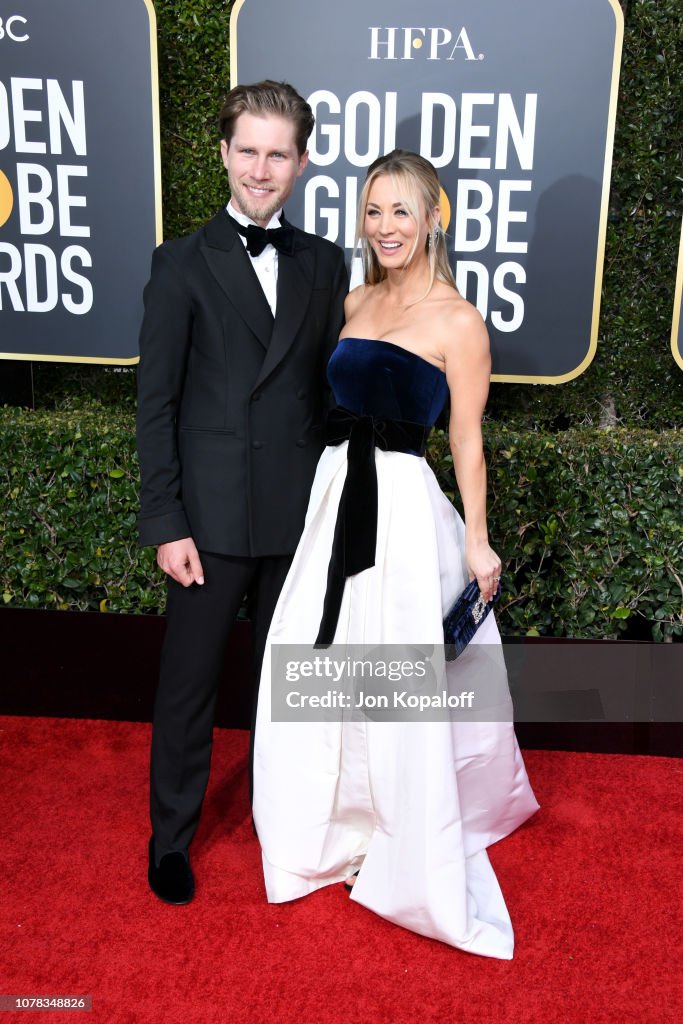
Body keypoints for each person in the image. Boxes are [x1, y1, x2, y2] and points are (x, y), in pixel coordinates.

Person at [252, 150, 539, 958]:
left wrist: (477, 542)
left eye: (401, 211)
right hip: (335, 497)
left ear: (431, 218)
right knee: (317, 656)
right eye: (373, 211)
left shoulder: (458, 321)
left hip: (404, 516)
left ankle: (399, 825)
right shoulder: (352, 300)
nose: (384, 227)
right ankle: (330, 827)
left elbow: (466, 440)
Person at [136, 81, 348, 905]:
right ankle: (170, 842)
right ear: (223, 154)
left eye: (278, 153)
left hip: (295, 519)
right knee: (188, 688)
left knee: (287, 690)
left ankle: (285, 832)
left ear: (302, 163)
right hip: (209, 525)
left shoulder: (325, 263)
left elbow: (328, 394)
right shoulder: (179, 263)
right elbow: (155, 405)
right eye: (248, 151)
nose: (262, 169)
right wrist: (165, 519)